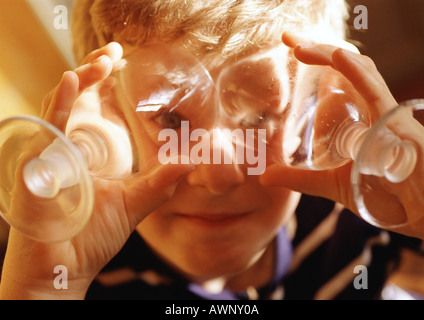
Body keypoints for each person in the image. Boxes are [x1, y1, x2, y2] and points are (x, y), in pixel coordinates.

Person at [0, 0, 423, 300]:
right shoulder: (63, 269)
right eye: (170, 119)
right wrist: (40, 291)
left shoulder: (365, 216)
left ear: (319, 103)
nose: (216, 175)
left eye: (259, 117)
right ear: (108, 118)